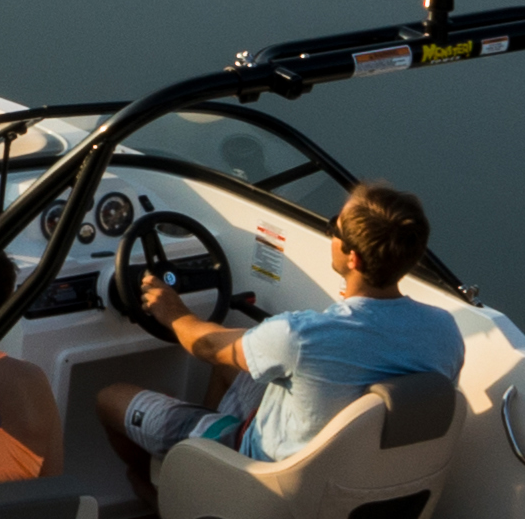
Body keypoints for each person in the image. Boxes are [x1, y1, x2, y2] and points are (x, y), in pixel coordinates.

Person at [108, 179, 462, 482]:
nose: (331, 233)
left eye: (333, 228)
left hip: (264, 477)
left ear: (352, 258)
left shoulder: (300, 337)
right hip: (349, 479)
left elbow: (206, 346)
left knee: (110, 397)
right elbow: (226, 351)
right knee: (233, 359)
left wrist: (171, 311)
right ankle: (195, 467)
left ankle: (160, 490)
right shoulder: (445, 331)